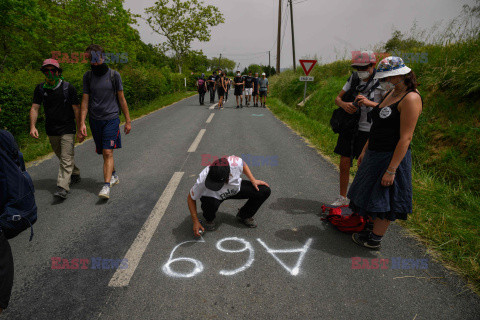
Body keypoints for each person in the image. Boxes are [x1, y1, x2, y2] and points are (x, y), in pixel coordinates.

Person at [348, 56, 423, 249]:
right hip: (375, 152)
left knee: (384, 198)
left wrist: (392, 170)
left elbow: (405, 138)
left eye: (388, 77)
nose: (384, 81)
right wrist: (365, 149)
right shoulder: (391, 92)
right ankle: (369, 229)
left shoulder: (411, 98)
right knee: (370, 193)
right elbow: (378, 125)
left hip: (391, 156)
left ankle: (375, 240)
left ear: (400, 75)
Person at [331, 51, 384, 206]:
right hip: (350, 126)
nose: (360, 71)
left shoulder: (383, 81)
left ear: (373, 65)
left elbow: (389, 107)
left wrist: (369, 103)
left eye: (363, 68)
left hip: (370, 130)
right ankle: (342, 197)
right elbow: (337, 98)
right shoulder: (353, 78)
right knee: (344, 161)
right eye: (357, 68)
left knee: (365, 165)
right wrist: (344, 105)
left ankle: (360, 201)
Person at [78, 44, 132, 200]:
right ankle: (113, 174)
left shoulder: (114, 75)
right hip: (95, 120)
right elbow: (85, 100)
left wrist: (128, 120)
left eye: (96, 59)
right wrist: (82, 123)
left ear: (103, 57)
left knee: (108, 152)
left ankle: (106, 186)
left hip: (111, 119)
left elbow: (121, 99)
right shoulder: (87, 77)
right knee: (104, 151)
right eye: (90, 60)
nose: (94, 63)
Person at [29, 59, 81, 199]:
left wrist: (81, 126)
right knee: (62, 155)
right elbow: (35, 107)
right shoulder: (40, 89)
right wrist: (33, 126)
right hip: (51, 129)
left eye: (53, 70)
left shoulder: (68, 88)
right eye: (47, 71)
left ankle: (62, 187)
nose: (50, 73)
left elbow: (76, 109)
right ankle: (75, 172)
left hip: (68, 128)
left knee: (65, 157)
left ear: (58, 72)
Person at [188, 156, 271, 237]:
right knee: (209, 203)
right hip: (214, 197)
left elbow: (242, 163)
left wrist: (253, 180)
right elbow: (191, 198)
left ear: (228, 176)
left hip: (234, 190)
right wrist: (195, 221)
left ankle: (244, 215)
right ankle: (209, 219)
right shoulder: (203, 178)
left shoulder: (235, 162)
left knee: (264, 191)